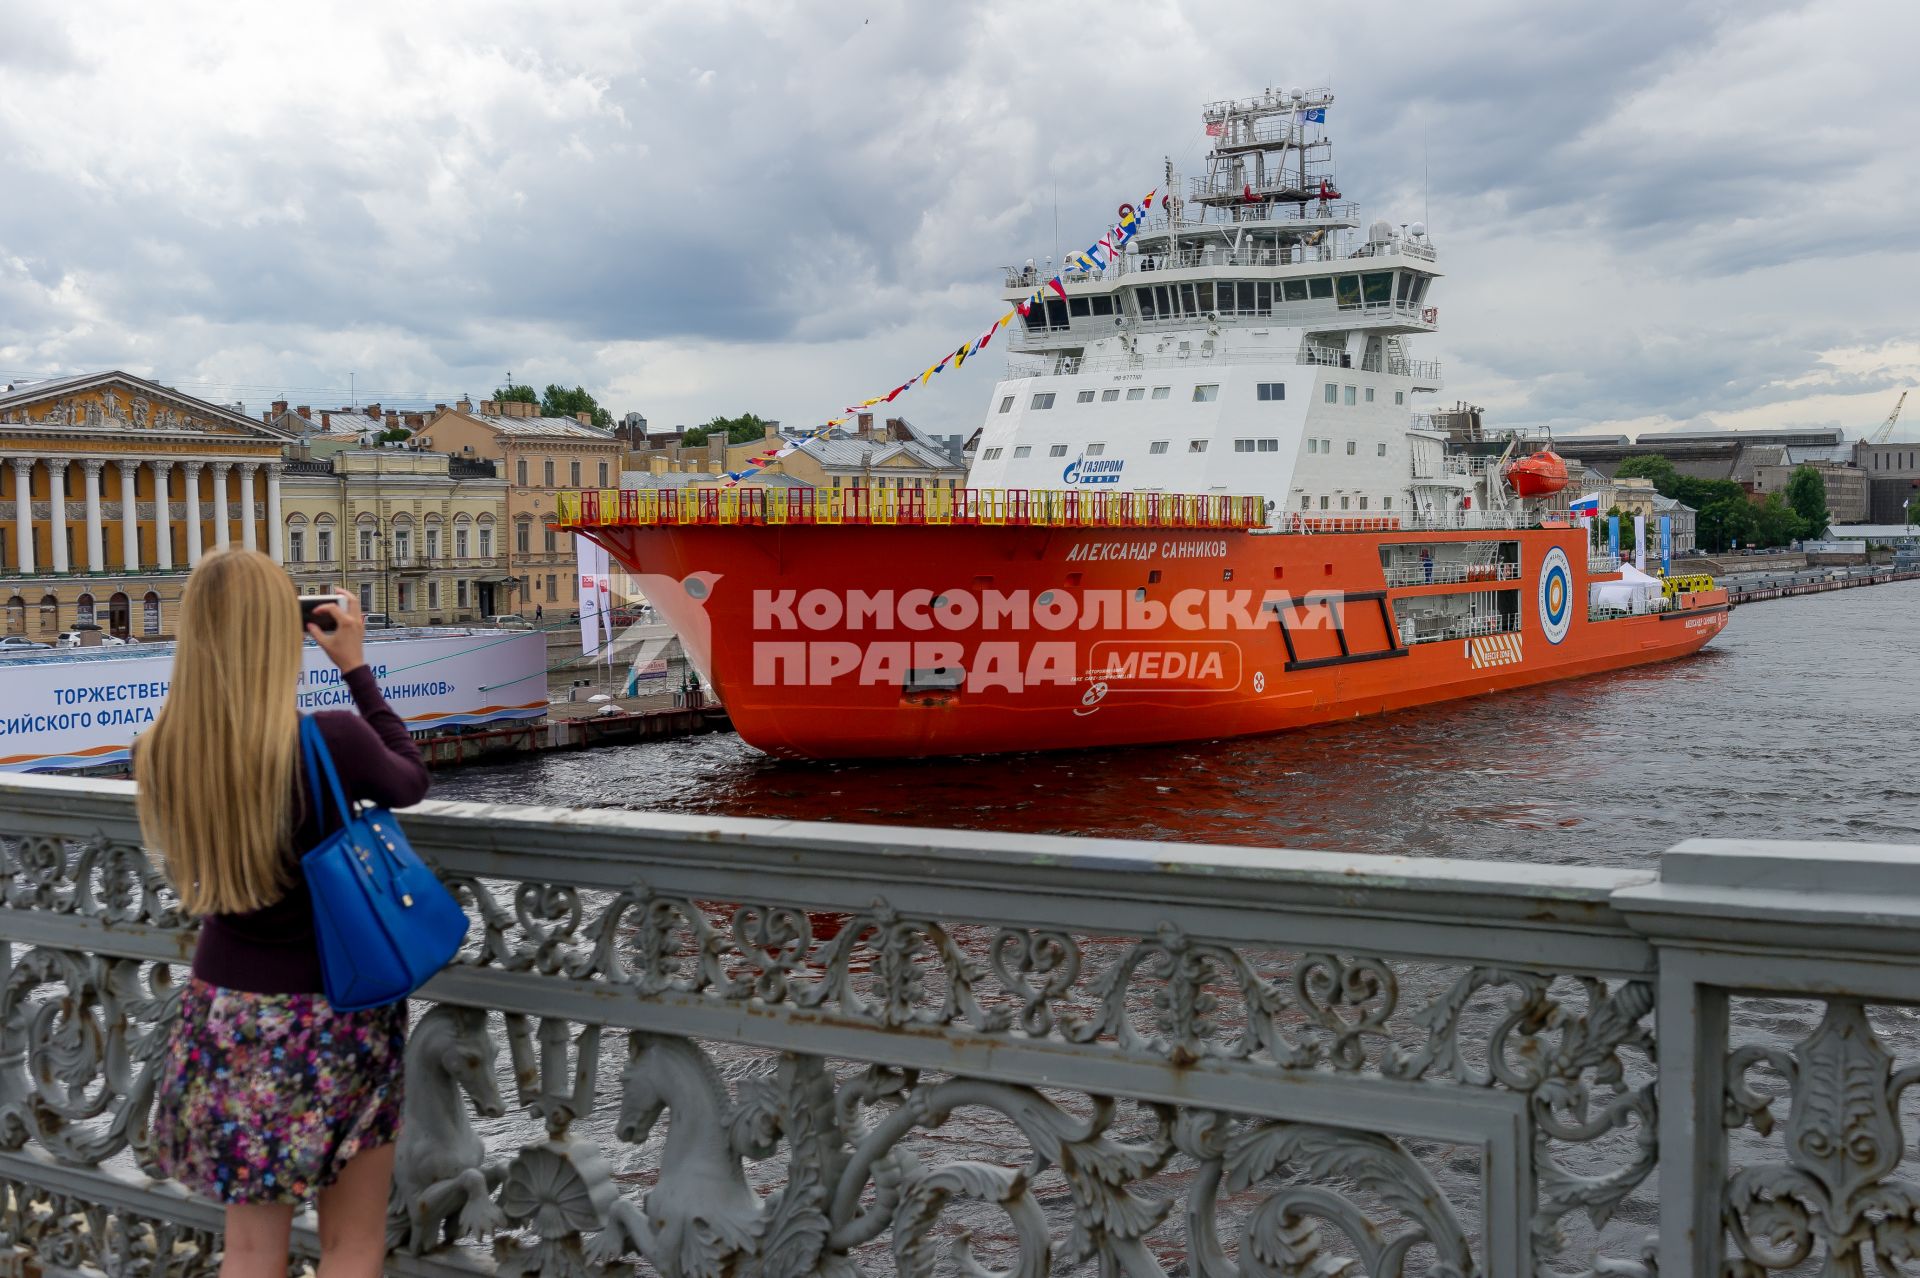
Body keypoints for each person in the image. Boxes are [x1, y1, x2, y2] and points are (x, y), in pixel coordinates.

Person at [136, 549, 430, 1277]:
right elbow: (409, 778)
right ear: (282, 631)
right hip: (334, 1015)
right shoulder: (325, 737)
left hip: (224, 1015)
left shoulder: (162, 749)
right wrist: (356, 667)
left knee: (249, 1249)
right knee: (351, 1243)